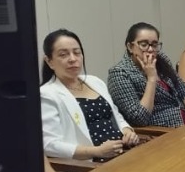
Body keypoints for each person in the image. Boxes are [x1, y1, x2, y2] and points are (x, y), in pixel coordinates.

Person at [40, 28, 140, 160]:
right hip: (89, 163)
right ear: (49, 61)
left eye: (77, 52)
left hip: (123, 151)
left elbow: (116, 116)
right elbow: (49, 145)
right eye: (63, 55)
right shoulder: (46, 94)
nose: (72, 59)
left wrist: (127, 130)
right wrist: (96, 151)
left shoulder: (94, 82)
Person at [107, 23, 185, 128]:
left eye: (154, 45)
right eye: (144, 45)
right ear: (130, 47)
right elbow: (139, 118)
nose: (150, 49)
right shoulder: (119, 73)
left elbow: (183, 88)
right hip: (162, 129)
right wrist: (151, 78)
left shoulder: (160, 59)